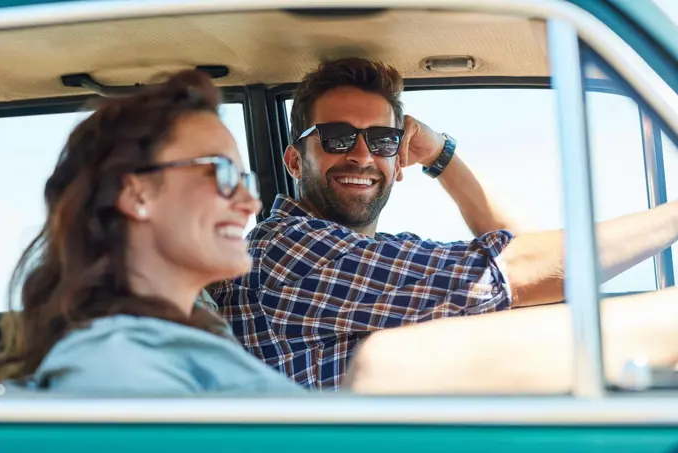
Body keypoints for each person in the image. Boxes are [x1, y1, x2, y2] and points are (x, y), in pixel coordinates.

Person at [211, 57, 678, 391]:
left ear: (398, 163)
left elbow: (530, 266)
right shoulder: (294, 251)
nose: (361, 154)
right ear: (294, 160)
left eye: (382, 140)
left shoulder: (373, 252)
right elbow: (521, 269)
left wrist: (440, 155)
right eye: (336, 138)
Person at [0, 70, 302, 395]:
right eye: (221, 172)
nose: (251, 202)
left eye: (246, 179)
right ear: (137, 195)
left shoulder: (186, 339)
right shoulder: (115, 365)